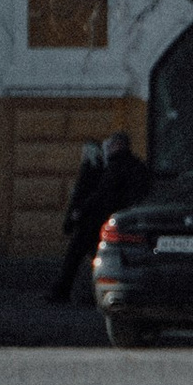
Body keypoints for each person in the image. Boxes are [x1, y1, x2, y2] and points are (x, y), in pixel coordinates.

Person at [51, 130, 149, 305]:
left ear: (118, 145)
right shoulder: (136, 166)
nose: (108, 150)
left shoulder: (115, 167)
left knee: (80, 255)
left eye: (110, 146)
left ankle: (67, 292)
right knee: (98, 256)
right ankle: (84, 293)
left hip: (101, 220)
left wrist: (80, 211)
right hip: (124, 219)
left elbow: (101, 194)